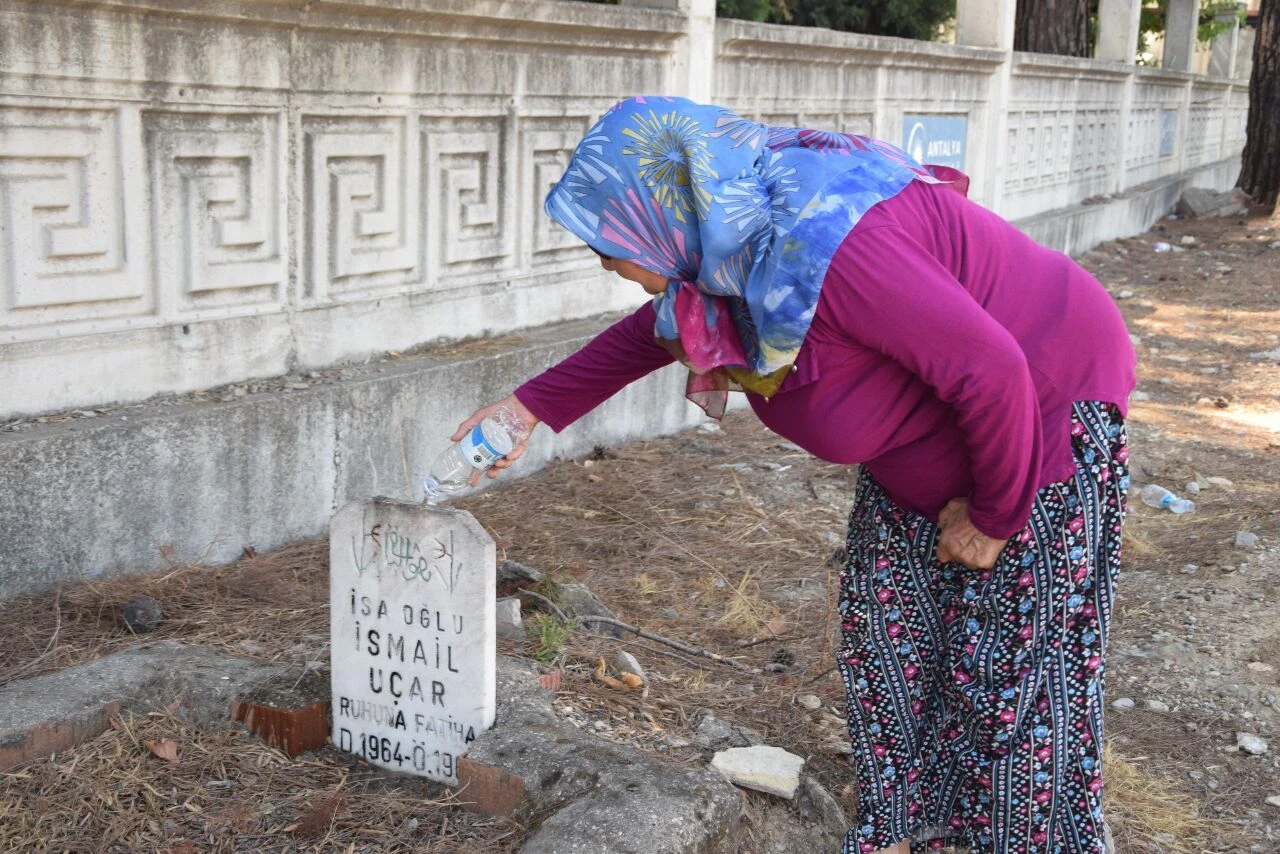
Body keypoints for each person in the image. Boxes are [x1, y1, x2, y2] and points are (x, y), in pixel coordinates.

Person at [455, 96, 1135, 854]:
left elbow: (994, 370)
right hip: (927, 452)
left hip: (1042, 418)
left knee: (1011, 684)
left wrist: (995, 518)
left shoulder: (833, 246)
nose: (607, 264)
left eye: (608, 241)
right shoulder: (730, 259)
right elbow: (648, 335)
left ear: (669, 212)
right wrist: (526, 409)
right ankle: (905, 836)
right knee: (891, 654)